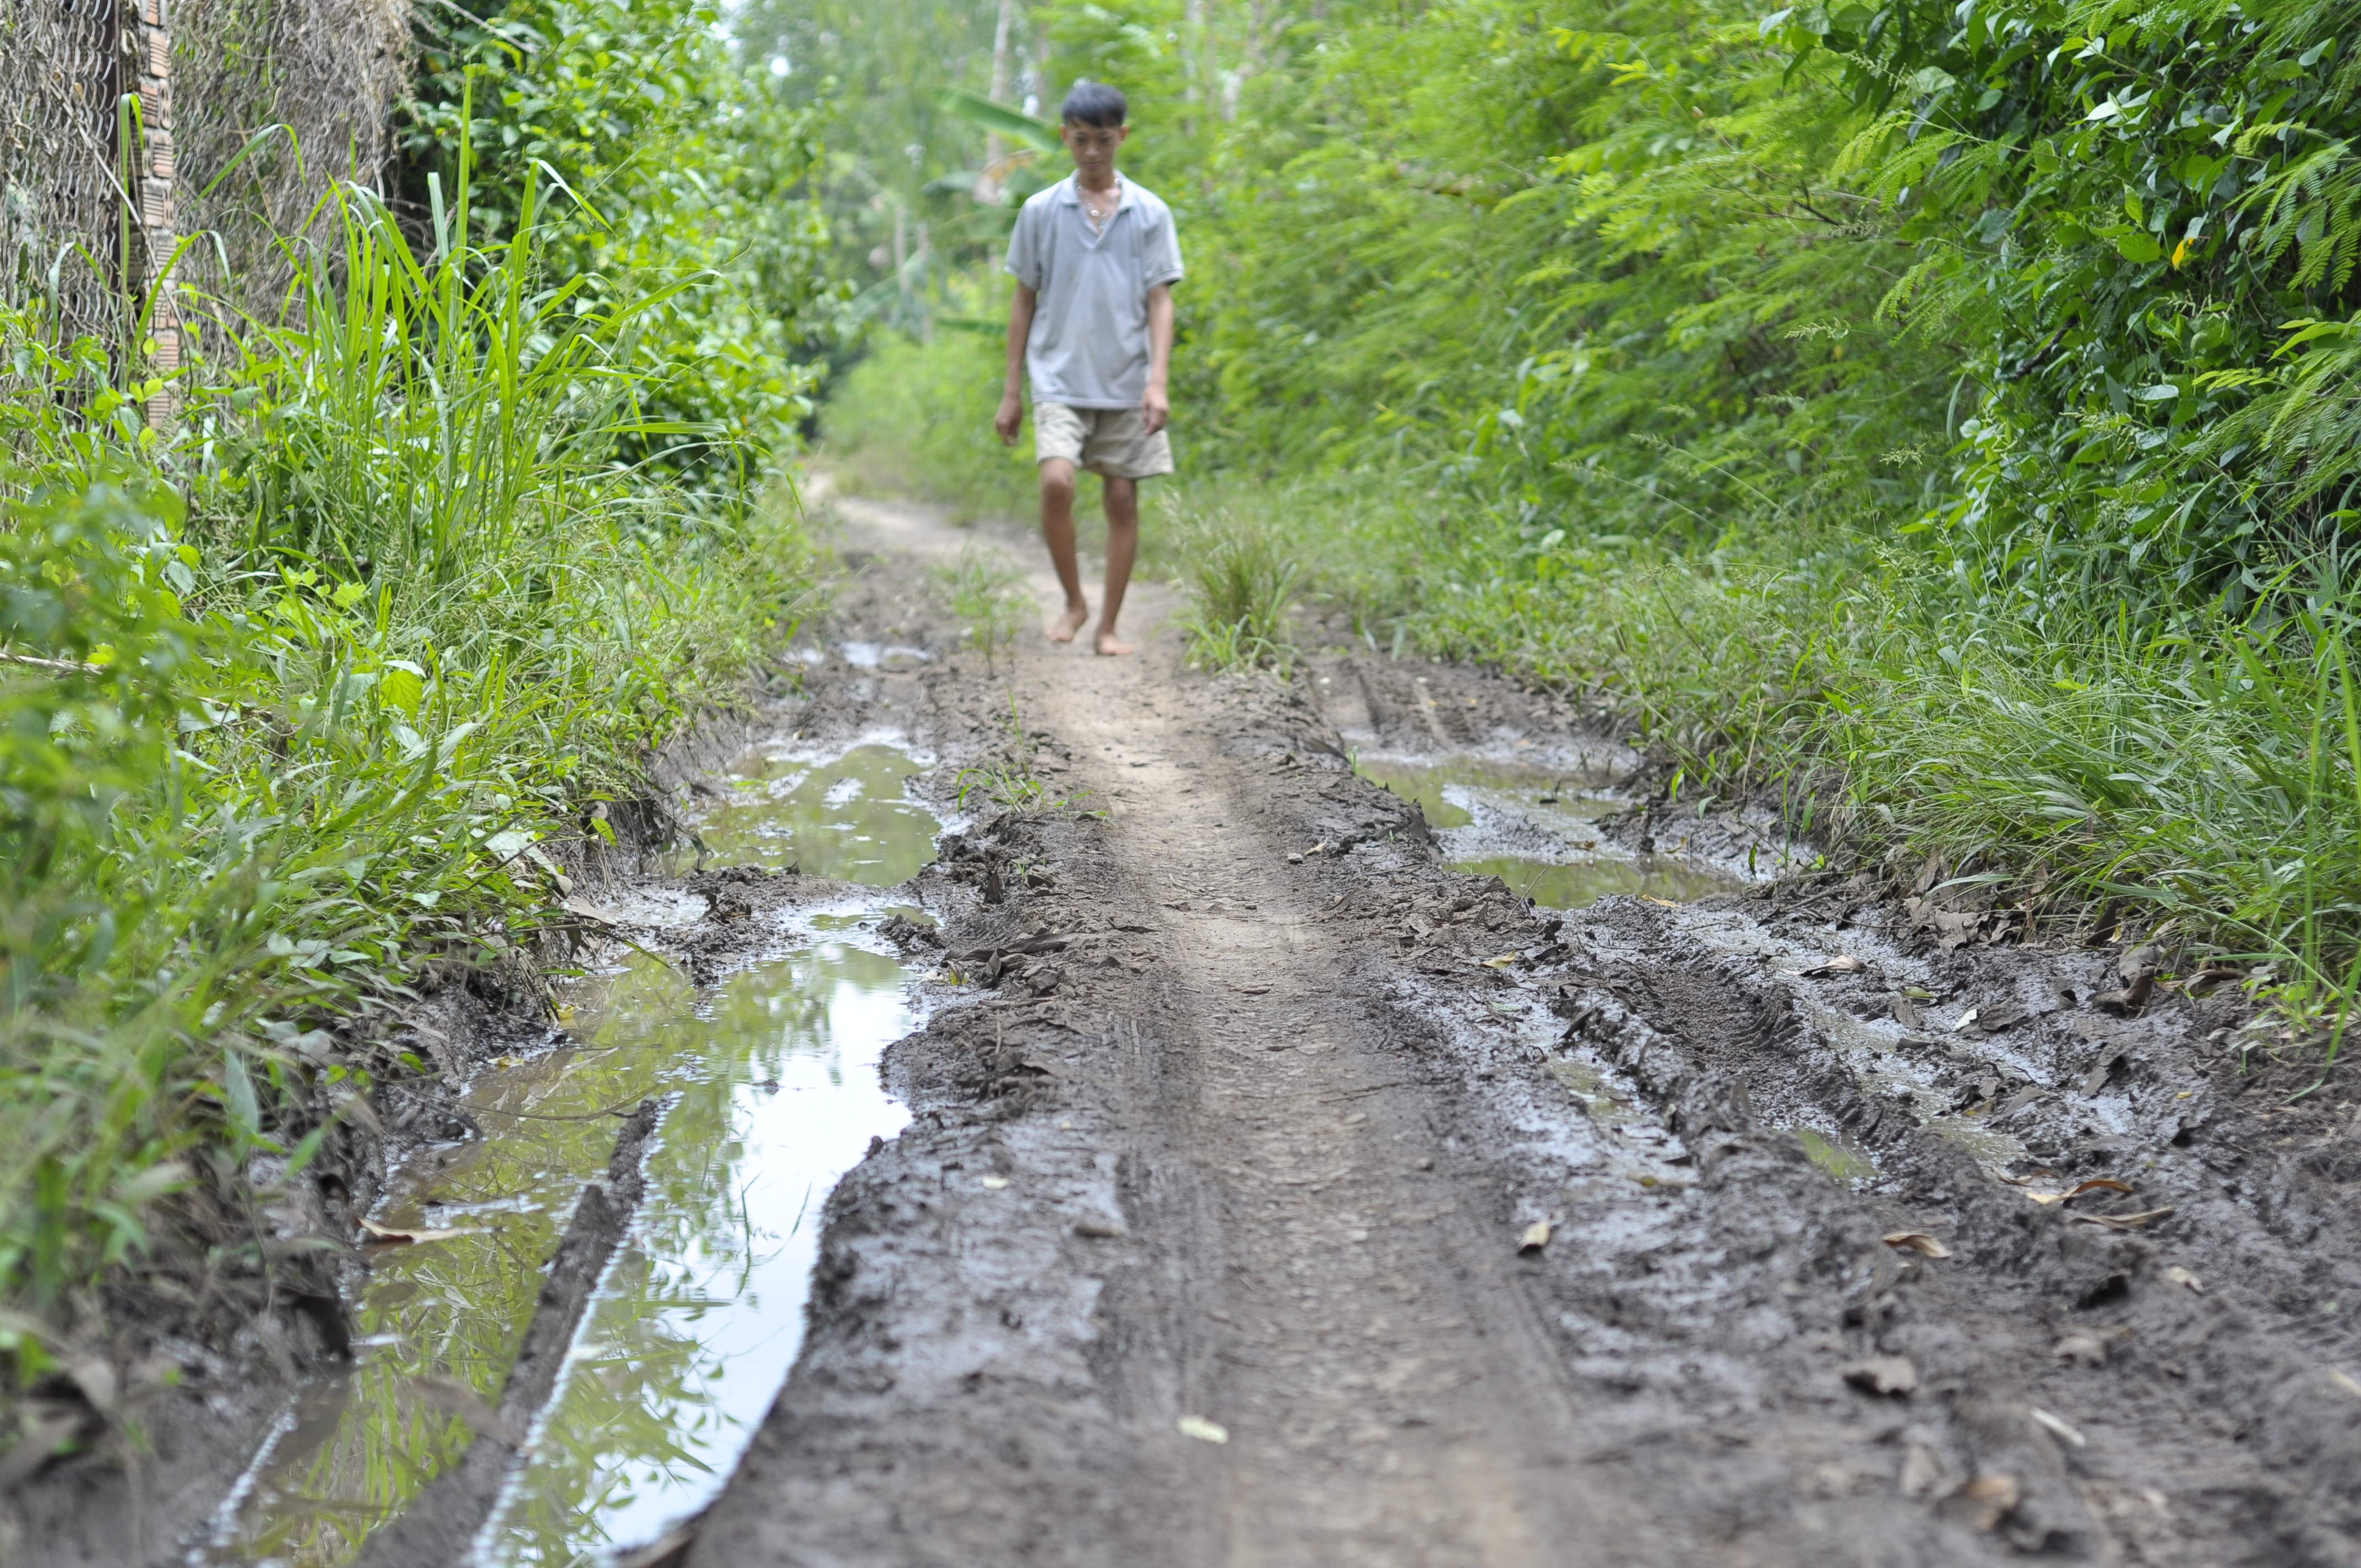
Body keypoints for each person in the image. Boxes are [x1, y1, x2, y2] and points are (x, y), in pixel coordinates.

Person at [995, 80, 1182, 657]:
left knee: (1122, 499)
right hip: (1057, 378)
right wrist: (1011, 393)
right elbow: (1023, 301)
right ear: (1065, 138)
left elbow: (1161, 300)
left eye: (1103, 139)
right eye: (1081, 140)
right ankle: (1074, 600)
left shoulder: (1149, 213)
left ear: (1121, 136)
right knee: (1056, 482)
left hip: (1126, 380)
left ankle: (1108, 626)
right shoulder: (1040, 211)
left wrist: (1157, 381)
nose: (1093, 152)